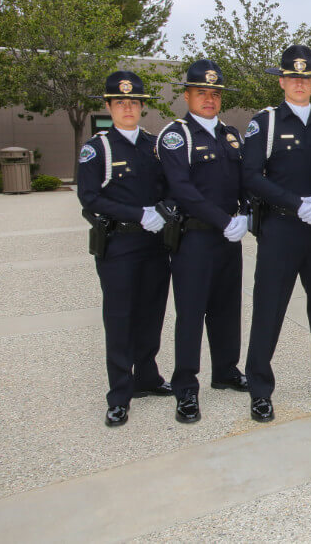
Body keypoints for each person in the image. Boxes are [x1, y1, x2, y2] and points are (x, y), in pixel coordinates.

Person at [241, 45, 311, 423]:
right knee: (269, 307)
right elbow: (249, 176)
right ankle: (260, 388)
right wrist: (296, 202)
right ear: (281, 81)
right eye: (293, 77)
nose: (300, 83)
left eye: (306, 78)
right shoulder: (263, 123)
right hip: (281, 227)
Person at [157, 60, 249, 424]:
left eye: (214, 93)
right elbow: (182, 189)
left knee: (227, 308)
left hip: (229, 238)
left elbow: (242, 181)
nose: (209, 99)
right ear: (187, 95)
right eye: (201, 93)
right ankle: (185, 388)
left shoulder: (231, 135)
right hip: (194, 237)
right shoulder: (176, 135)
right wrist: (225, 220)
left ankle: (225, 370)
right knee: (192, 313)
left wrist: (245, 214)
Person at [77, 71, 171, 427]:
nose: (128, 108)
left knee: (151, 312)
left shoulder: (154, 145)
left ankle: (147, 377)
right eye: (120, 102)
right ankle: (119, 393)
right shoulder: (97, 148)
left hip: (154, 242)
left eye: (134, 102)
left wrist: (162, 212)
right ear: (108, 106)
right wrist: (137, 213)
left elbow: (169, 186)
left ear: (142, 106)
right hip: (118, 245)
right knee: (119, 318)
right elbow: (89, 197)